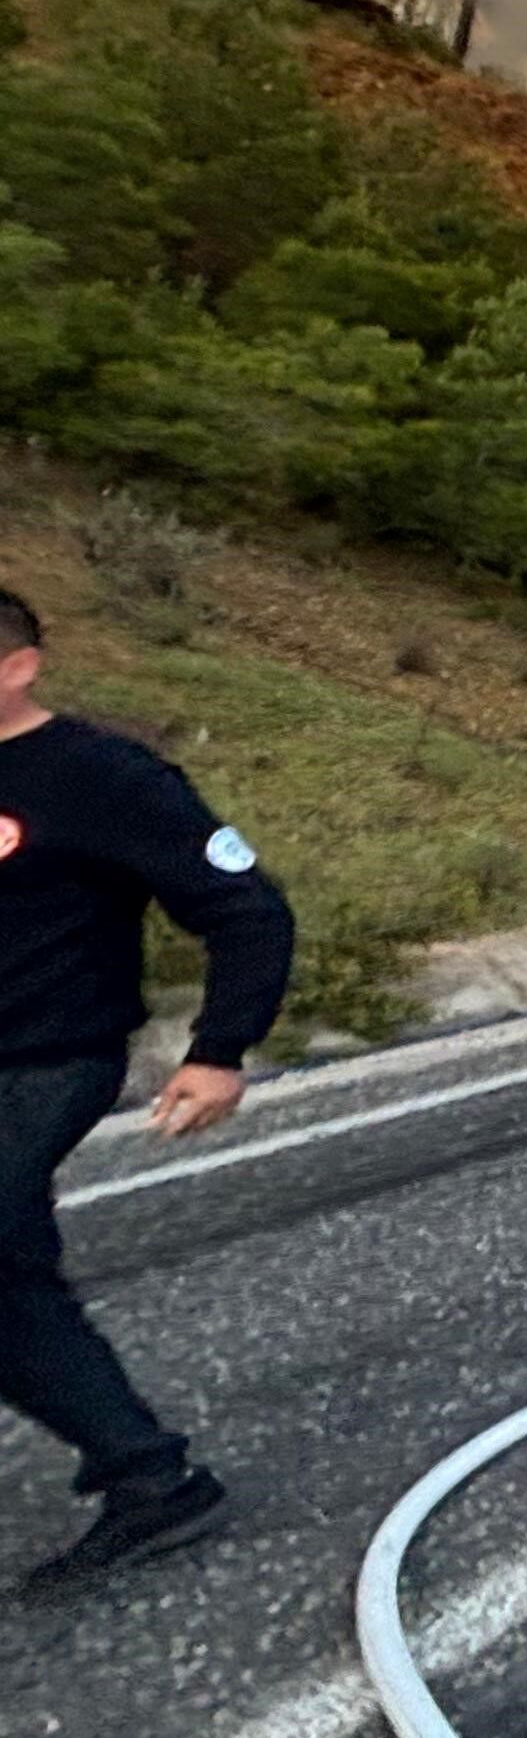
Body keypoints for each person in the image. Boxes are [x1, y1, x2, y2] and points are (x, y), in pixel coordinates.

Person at [0, 585, 291, 1588]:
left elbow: (246, 909)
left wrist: (219, 1050)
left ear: (20, 667)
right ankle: (146, 1473)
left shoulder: (103, 777)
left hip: (47, 1057)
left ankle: (149, 1477)